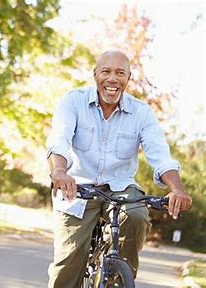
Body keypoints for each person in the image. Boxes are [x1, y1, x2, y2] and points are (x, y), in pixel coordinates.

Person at [46, 49, 192, 287]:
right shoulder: (73, 101)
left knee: (135, 216)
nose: (112, 79)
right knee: (68, 265)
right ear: (95, 75)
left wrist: (177, 188)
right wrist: (60, 172)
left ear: (128, 78)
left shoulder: (142, 113)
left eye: (120, 73)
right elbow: (58, 140)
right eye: (106, 72)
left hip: (121, 187)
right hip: (78, 188)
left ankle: (117, 279)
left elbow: (160, 155)